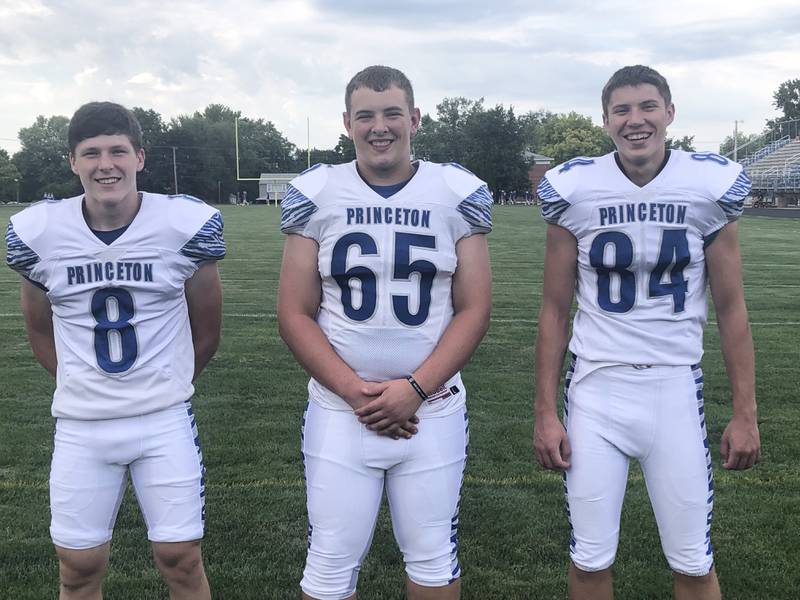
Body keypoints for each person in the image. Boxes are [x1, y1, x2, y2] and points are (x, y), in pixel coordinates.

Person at [533, 65, 761, 600]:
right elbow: (553, 310)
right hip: (595, 387)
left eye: (648, 107)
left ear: (670, 112)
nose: (636, 120)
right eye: (622, 110)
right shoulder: (576, 187)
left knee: (693, 560)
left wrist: (746, 413)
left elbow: (731, 309)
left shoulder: (707, 184)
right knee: (589, 559)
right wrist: (545, 411)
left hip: (674, 386)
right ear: (606, 120)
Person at [277, 65, 492, 600]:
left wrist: (413, 390)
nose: (380, 126)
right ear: (347, 122)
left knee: (433, 559)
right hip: (339, 411)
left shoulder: (455, 192)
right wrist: (357, 394)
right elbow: (293, 312)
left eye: (392, 113)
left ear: (414, 119)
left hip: (433, 408)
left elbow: (475, 309)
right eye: (366, 116)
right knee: (327, 564)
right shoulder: (319, 191)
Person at [5, 101, 225, 600]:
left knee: (182, 560)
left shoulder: (179, 225)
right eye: (92, 153)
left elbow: (207, 331)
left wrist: (167, 382)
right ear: (73, 162)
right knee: (77, 568)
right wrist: (83, 386)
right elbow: (39, 330)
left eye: (118, 151)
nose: (106, 164)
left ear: (140, 157)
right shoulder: (41, 233)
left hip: (162, 420)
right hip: (82, 426)